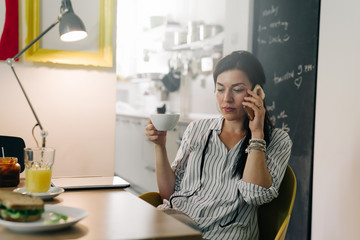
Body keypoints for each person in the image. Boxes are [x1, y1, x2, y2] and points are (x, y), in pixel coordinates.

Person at [145, 50, 292, 240]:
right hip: (177, 227)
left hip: (226, 234)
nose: (226, 99)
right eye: (220, 89)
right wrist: (160, 145)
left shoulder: (278, 140)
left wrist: (257, 133)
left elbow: (255, 196)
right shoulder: (197, 129)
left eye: (237, 90)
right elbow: (169, 193)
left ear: (257, 92)